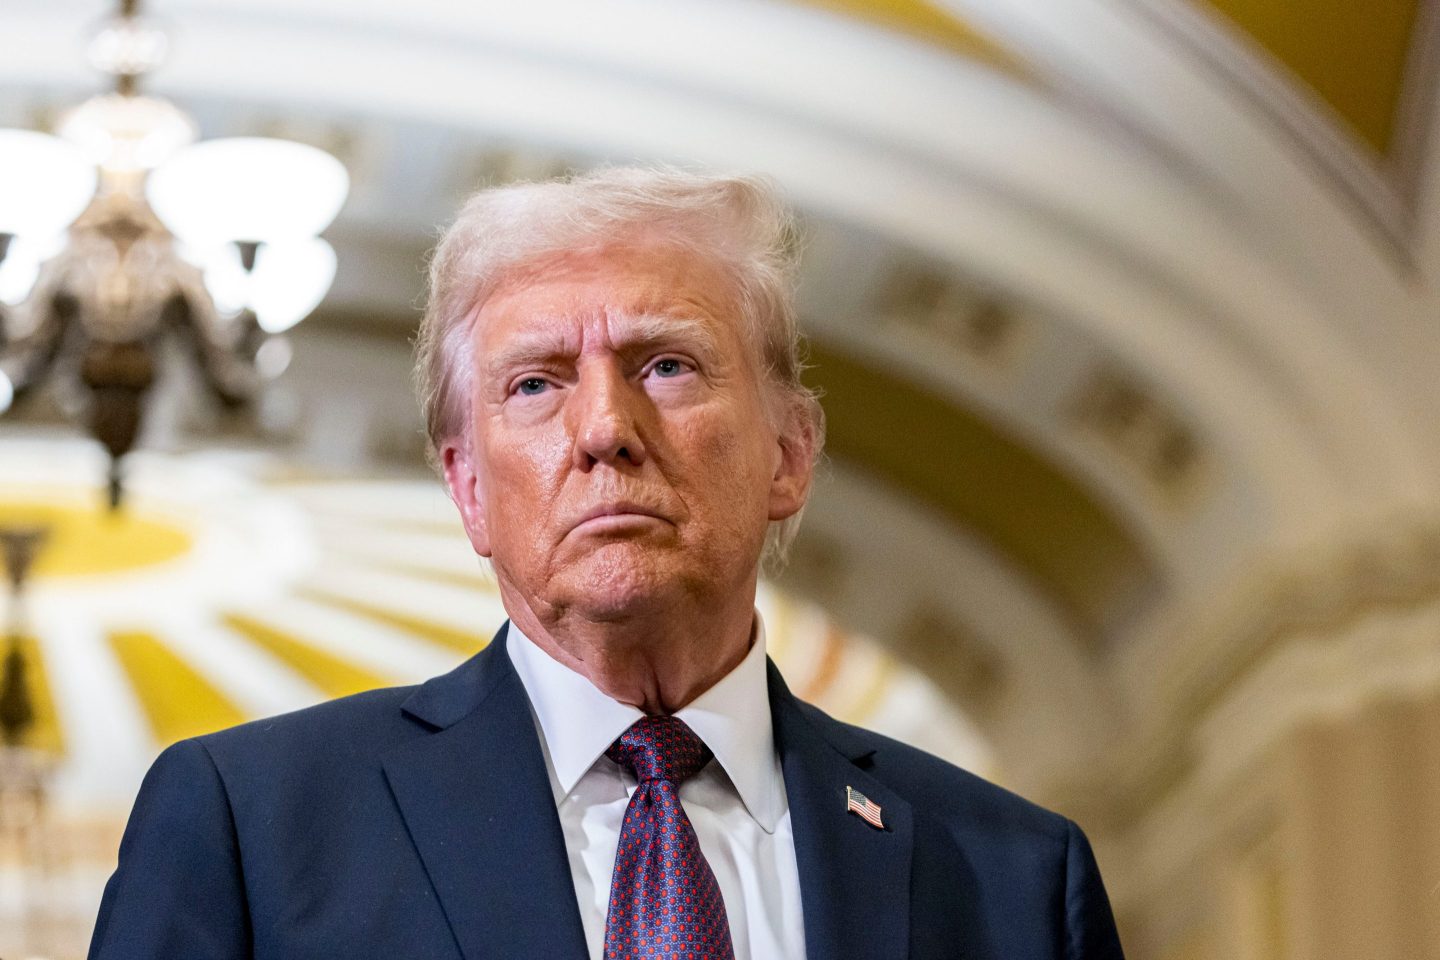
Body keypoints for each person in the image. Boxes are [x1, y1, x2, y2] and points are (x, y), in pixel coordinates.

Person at [88, 167, 1125, 960]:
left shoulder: (1013, 876)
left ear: (790, 456)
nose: (604, 429)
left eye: (666, 365)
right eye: (536, 384)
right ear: (469, 490)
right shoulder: (251, 825)